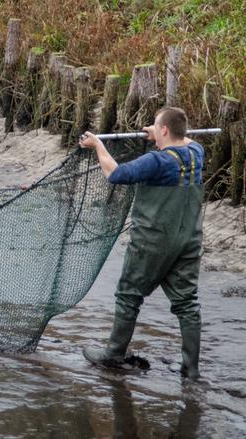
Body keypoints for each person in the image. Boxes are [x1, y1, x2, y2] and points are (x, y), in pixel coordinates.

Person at [79, 106, 204, 380]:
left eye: (155, 127)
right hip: (189, 241)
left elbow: (116, 174)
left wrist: (98, 144)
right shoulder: (197, 153)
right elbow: (187, 139)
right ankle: (191, 369)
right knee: (187, 303)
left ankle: (113, 355)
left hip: (153, 242)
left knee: (128, 295)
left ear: (165, 130)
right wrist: (157, 133)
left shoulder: (156, 161)